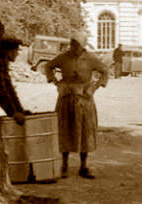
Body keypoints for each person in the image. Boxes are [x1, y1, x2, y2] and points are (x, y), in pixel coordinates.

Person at [42, 32, 111, 179]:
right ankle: (64, 165)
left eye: (76, 44)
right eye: (72, 43)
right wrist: (56, 82)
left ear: (82, 45)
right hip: (66, 99)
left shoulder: (91, 59)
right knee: (65, 129)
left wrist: (94, 87)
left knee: (85, 131)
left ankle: (83, 166)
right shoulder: (63, 57)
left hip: (84, 101)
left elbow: (105, 71)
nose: (73, 46)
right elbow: (48, 66)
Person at [0, 35, 30, 124]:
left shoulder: (3, 62)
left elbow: (9, 88)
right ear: (8, 51)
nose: (17, 54)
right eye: (16, 51)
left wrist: (20, 110)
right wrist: (13, 112)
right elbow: (0, 90)